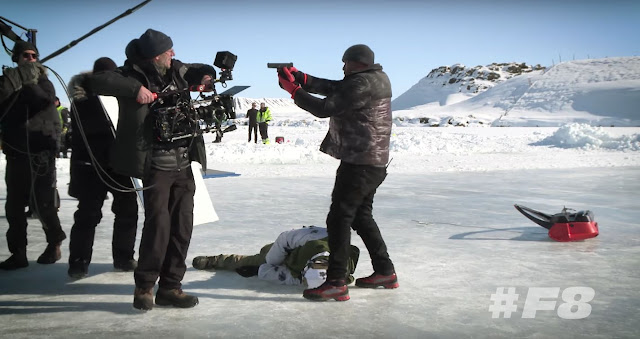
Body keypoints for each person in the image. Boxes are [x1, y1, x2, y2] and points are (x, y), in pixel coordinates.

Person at [81, 29, 216, 310]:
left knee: (182, 227)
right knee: (159, 226)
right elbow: (97, 82)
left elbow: (200, 68)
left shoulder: (176, 70)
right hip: (155, 164)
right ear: (156, 56)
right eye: (169, 52)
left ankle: (171, 287)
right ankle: (144, 287)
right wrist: (136, 91)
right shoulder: (130, 75)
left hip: (183, 161)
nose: (174, 55)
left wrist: (205, 77)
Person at [276, 44, 398, 301]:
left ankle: (336, 282)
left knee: (339, 218)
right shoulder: (372, 79)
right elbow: (335, 88)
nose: (342, 67)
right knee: (361, 216)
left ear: (358, 63)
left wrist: (293, 90)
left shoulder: (362, 83)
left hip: (360, 163)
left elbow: (324, 108)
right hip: (371, 161)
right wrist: (301, 77)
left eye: (345, 63)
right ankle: (385, 272)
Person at [66, 57, 139, 279]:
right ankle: (78, 262)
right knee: (88, 215)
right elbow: (93, 130)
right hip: (90, 166)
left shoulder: (120, 97)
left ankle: (124, 257)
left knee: (128, 211)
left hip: (119, 165)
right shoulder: (82, 99)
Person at [0, 40, 66, 270]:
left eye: (33, 56)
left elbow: (43, 100)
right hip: (16, 151)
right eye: (25, 56)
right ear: (16, 58)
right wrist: (14, 82)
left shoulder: (44, 81)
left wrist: (29, 82)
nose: (29, 59)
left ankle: (55, 241)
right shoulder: (7, 80)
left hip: (41, 152)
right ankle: (17, 253)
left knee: (44, 204)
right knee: (14, 207)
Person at [192, 226, 359, 290]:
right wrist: (268, 263)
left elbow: (280, 275)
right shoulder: (312, 237)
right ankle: (214, 260)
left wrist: (259, 271)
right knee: (257, 259)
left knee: (259, 264)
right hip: (283, 251)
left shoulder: (335, 274)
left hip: (291, 264)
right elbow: (284, 238)